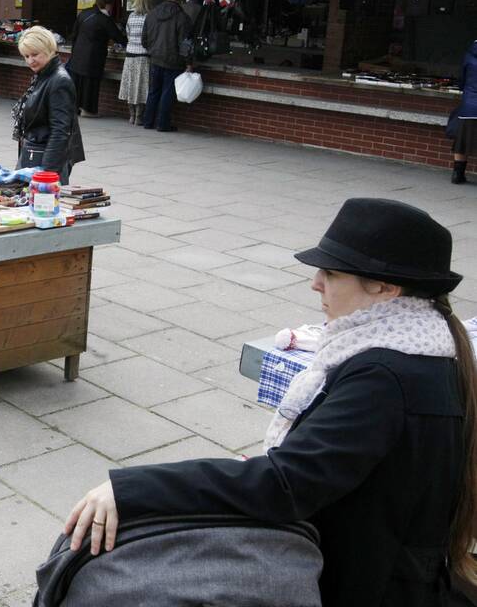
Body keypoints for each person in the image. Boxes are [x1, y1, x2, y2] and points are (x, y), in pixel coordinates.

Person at [64, 197, 477, 607]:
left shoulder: (385, 377)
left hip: (365, 583)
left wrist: (132, 489)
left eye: (331, 273)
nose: (316, 283)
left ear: (386, 288)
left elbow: (286, 484)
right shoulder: (417, 347)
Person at [11, 26, 85, 183]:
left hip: (44, 158)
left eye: (35, 54)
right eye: (26, 56)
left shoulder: (58, 80)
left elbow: (60, 131)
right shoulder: (44, 75)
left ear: (48, 49)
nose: (30, 60)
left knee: (43, 206)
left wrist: (46, 174)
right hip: (35, 153)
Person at [140, 0, 193, 132]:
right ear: (181, 0)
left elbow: (144, 39)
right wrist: (188, 62)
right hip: (173, 61)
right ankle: (162, 124)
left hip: (155, 58)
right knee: (167, 93)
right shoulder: (183, 18)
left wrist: (152, 50)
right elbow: (185, 44)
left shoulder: (151, 14)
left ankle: (147, 121)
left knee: (153, 91)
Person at [66, 0, 125, 118]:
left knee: (78, 83)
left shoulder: (84, 13)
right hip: (93, 58)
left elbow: (74, 33)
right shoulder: (105, 19)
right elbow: (119, 37)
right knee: (90, 85)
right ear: (108, 4)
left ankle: (75, 108)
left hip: (77, 55)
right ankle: (87, 110)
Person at [446, 39, 477, 184]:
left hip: (469, 106)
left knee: (462, 141)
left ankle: (457, 175)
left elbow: (462, 80)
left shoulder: (469, 55)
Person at [119, 0, 150, 126]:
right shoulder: (149, 17)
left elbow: (127, 34)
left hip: (130, 55)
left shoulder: (130, 17)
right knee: (141, 87)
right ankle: (138, 117)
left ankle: (131, 116)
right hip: (143, 56)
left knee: (130, 85)